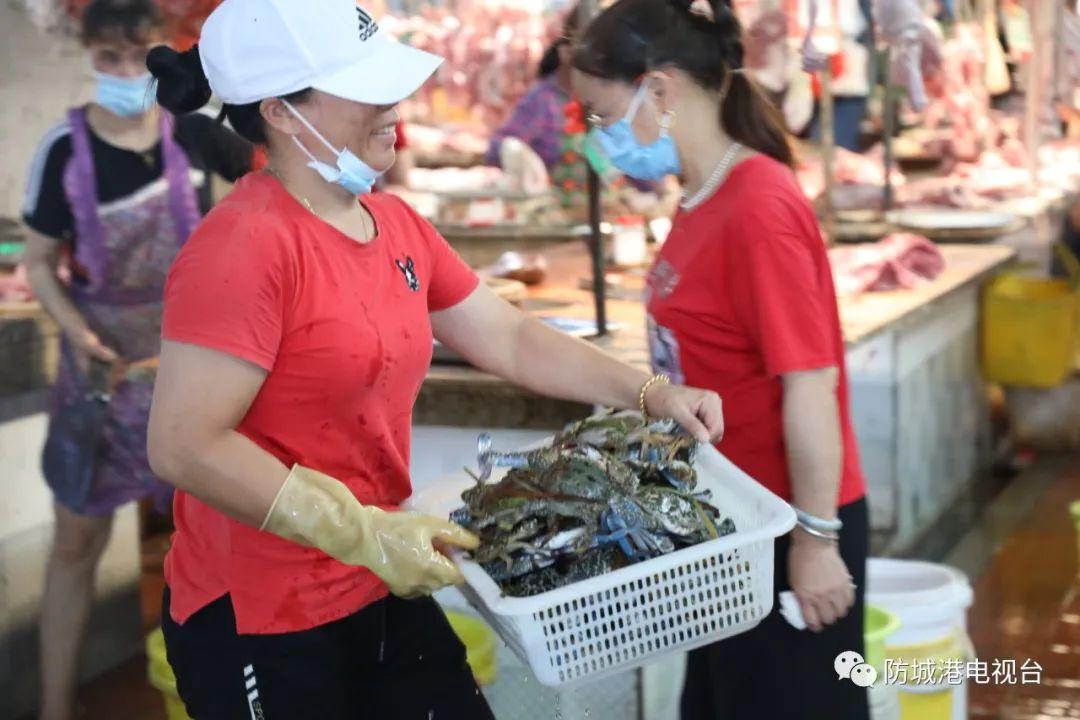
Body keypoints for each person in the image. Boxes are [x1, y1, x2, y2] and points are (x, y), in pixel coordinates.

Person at [144, 1, 724, 717]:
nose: (394, 104)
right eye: (365, 87)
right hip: (267, 612)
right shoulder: (244, 247)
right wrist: (359, 531)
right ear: (282, 113)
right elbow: (183, 444)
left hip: (383, 577)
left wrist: (648, 393)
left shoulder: (393, 223)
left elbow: (507, 336)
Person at [571, 1, 869, 718]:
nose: (598, 135)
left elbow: (811, 387)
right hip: (730, 529)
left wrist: (815, 540)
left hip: (789, 523)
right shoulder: (701, 196)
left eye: (600, 112)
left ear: (661, 90)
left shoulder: (759, 206)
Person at [20, 1, 254, 718]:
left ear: (164, 55)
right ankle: (56, 706)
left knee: (210, 535)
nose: (125, 74)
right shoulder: (62, 149)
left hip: (187, 370)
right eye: (109, 60)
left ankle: (209, 694)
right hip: (100, 373)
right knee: (77, 543)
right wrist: (76, 331)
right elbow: (36, 264)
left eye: (138, 58)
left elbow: (257, 213)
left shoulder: (193, 139)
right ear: (87, 57)